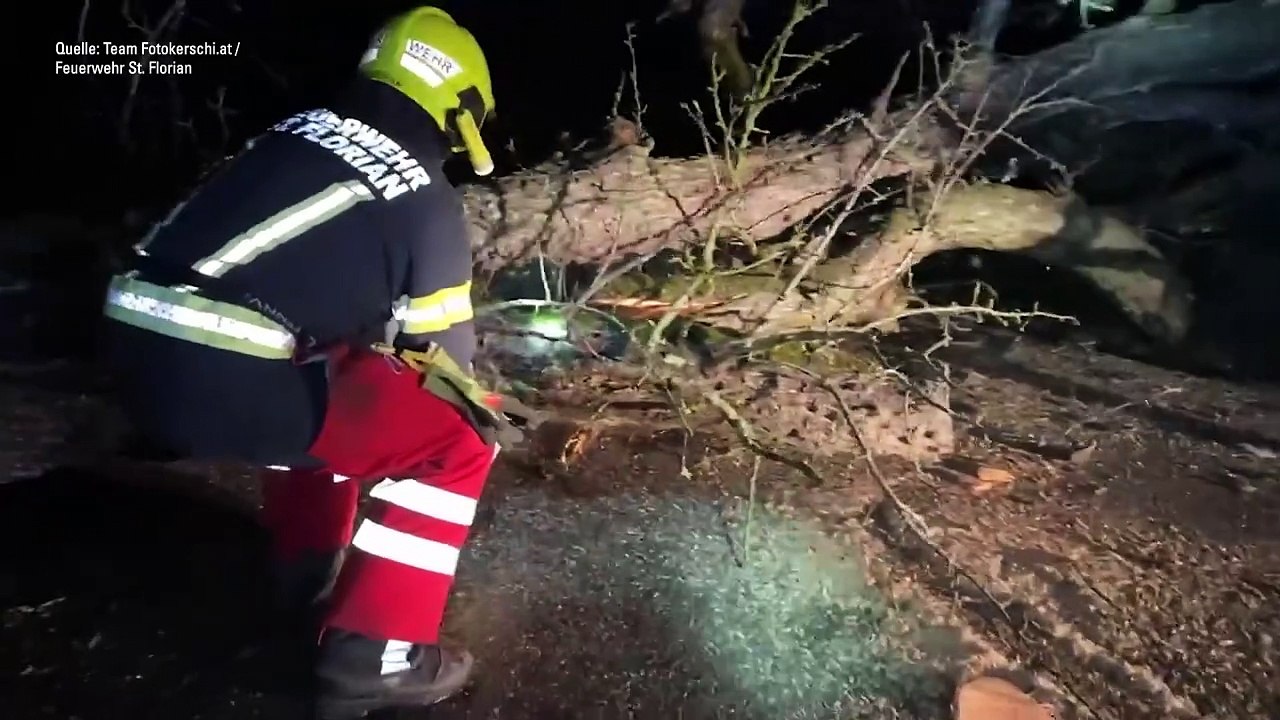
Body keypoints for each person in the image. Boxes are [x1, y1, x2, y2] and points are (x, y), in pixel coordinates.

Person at [99, 7, 521, 718]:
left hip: (132, 352)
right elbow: (442, 368)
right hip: (220, 371)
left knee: (332, 371)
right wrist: (480, 400)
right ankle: (375, 657)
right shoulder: (422, 195)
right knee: (459, 437)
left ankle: (306, 582)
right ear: (460, 114)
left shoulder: (291, 135)